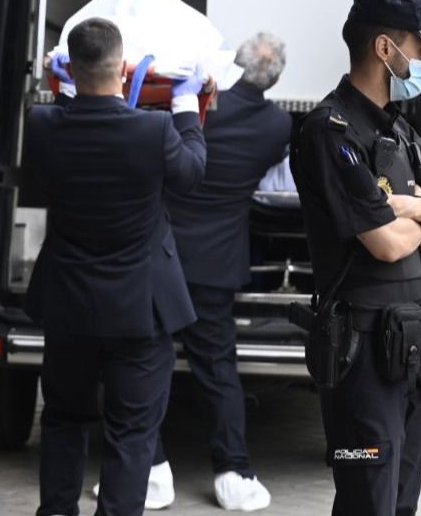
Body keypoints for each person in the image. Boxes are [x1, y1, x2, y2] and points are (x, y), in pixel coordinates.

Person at [291, 0, 421, 516]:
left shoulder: (400, 130)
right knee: (368, 502)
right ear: (385, 49)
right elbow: (386, 245)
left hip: (412, 348)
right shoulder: (331, 131)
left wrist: (416, 208)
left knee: (401, 503)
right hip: (363, 353)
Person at [24, 17, 207, 516]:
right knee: (132, 433)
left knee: (63, 419)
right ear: (124, 68)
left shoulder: (42, 124)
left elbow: (56, 139)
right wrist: (185, 107)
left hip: (69, 305)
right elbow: (191, 174)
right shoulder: (154, 130)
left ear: (72, 69)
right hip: (139, 310)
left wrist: (63, 88)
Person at [147, 32, 292, 511]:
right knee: (217, 370)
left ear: (236, 63)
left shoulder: (199, 104)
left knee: (150, 363)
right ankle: (234, 473)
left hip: (164, 255)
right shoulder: (277, 126)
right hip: (218, 263)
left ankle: (150, 470)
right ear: (274, 80)